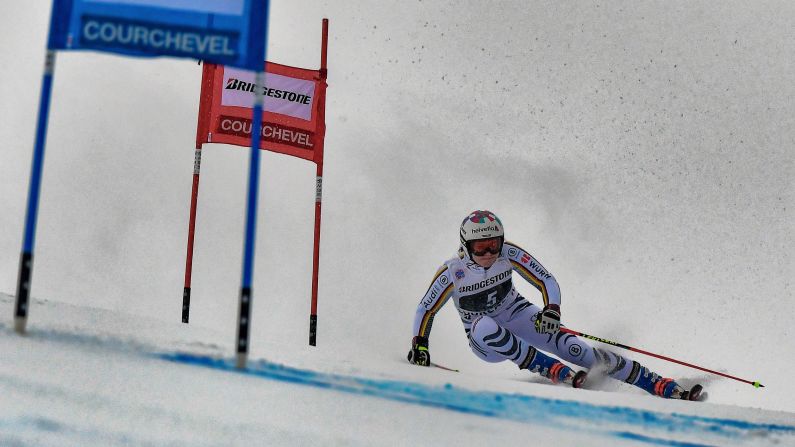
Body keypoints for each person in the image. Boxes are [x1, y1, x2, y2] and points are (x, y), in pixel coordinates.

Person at [407, 210, 701, 400]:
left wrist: (552, 310)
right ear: (465, 246)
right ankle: (551, 369)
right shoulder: (453, 271)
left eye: (494, 244)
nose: (488, 253)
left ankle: (660, 384)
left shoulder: (508, 254)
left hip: (518, 314)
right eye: (480, 248)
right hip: (485, 341)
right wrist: (420, 344)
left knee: (577, 349)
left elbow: (545, 279)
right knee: (484, 325)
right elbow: (426, 309)